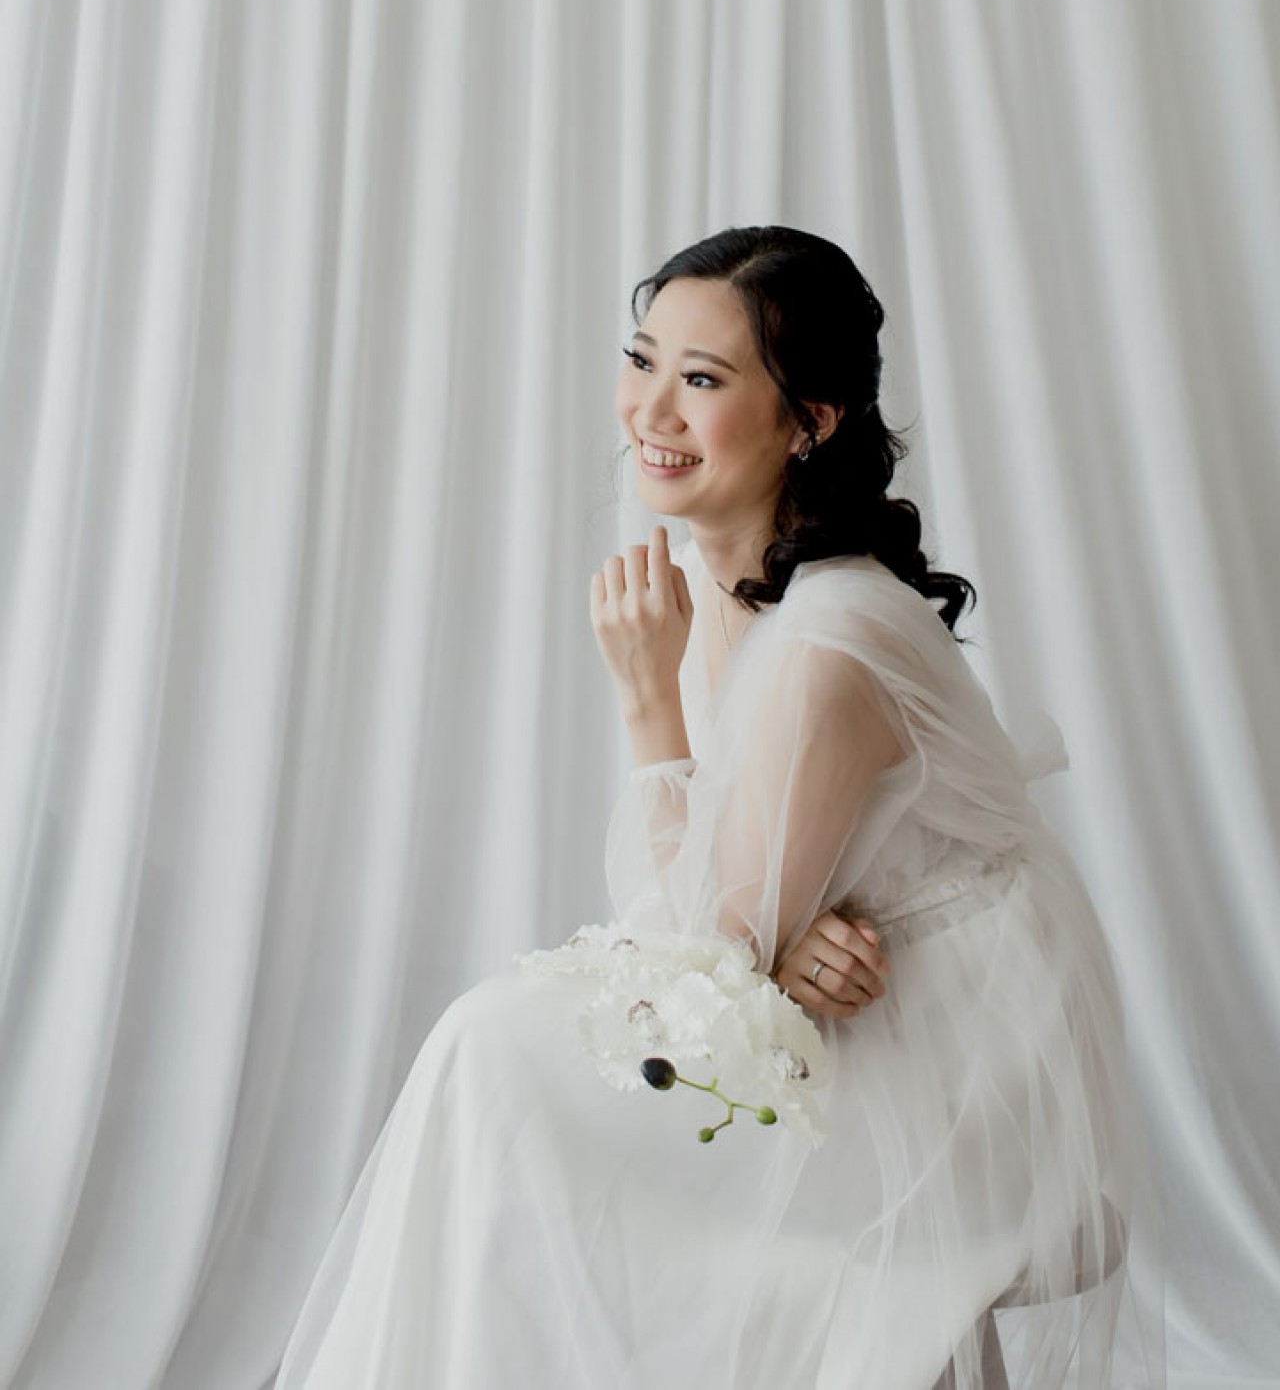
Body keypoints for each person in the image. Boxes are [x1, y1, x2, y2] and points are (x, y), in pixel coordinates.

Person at [274, 225, 1161, 1388]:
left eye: (701, 380)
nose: (650, 411)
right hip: (851, 1014)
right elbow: (718, 941)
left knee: (486, 1055)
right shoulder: (726, 583)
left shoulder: (826, 641)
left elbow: (695, 964)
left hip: (948, 1078)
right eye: (641, 360)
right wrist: (774, 946)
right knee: (489, 1059)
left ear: (810, 421)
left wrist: (650, 707)